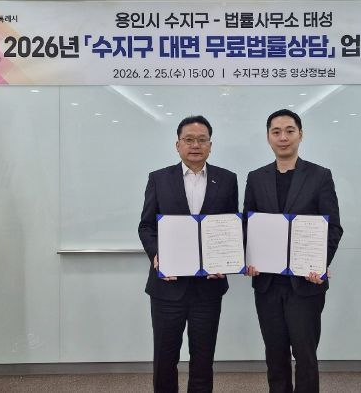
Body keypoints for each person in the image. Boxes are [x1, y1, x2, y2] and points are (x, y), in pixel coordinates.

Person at [243, 109, 343, 393]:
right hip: (267, 283)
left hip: (305, 284)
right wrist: (247, 259)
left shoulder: (320, 176)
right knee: (275, 355)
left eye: (289, 131)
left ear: (301, 135)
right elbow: (248, 225)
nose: (283, 137)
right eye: (276, 132)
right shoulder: (256, 177)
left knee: (305, 355)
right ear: (268, 137)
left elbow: (333, 227)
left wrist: (320, 263)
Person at [138, 115, 239, 393]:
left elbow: (231, 227)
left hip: (208, 288)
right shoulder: (159, 179)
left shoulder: (227, 179)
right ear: (178, 145)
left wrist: (225, 260)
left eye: (202, 140)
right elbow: (146, 226)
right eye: (189, 139)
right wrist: (156, 255)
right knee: (164, 359)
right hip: (167, 287)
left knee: (203, 360)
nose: (195, 145)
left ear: (210, 145)